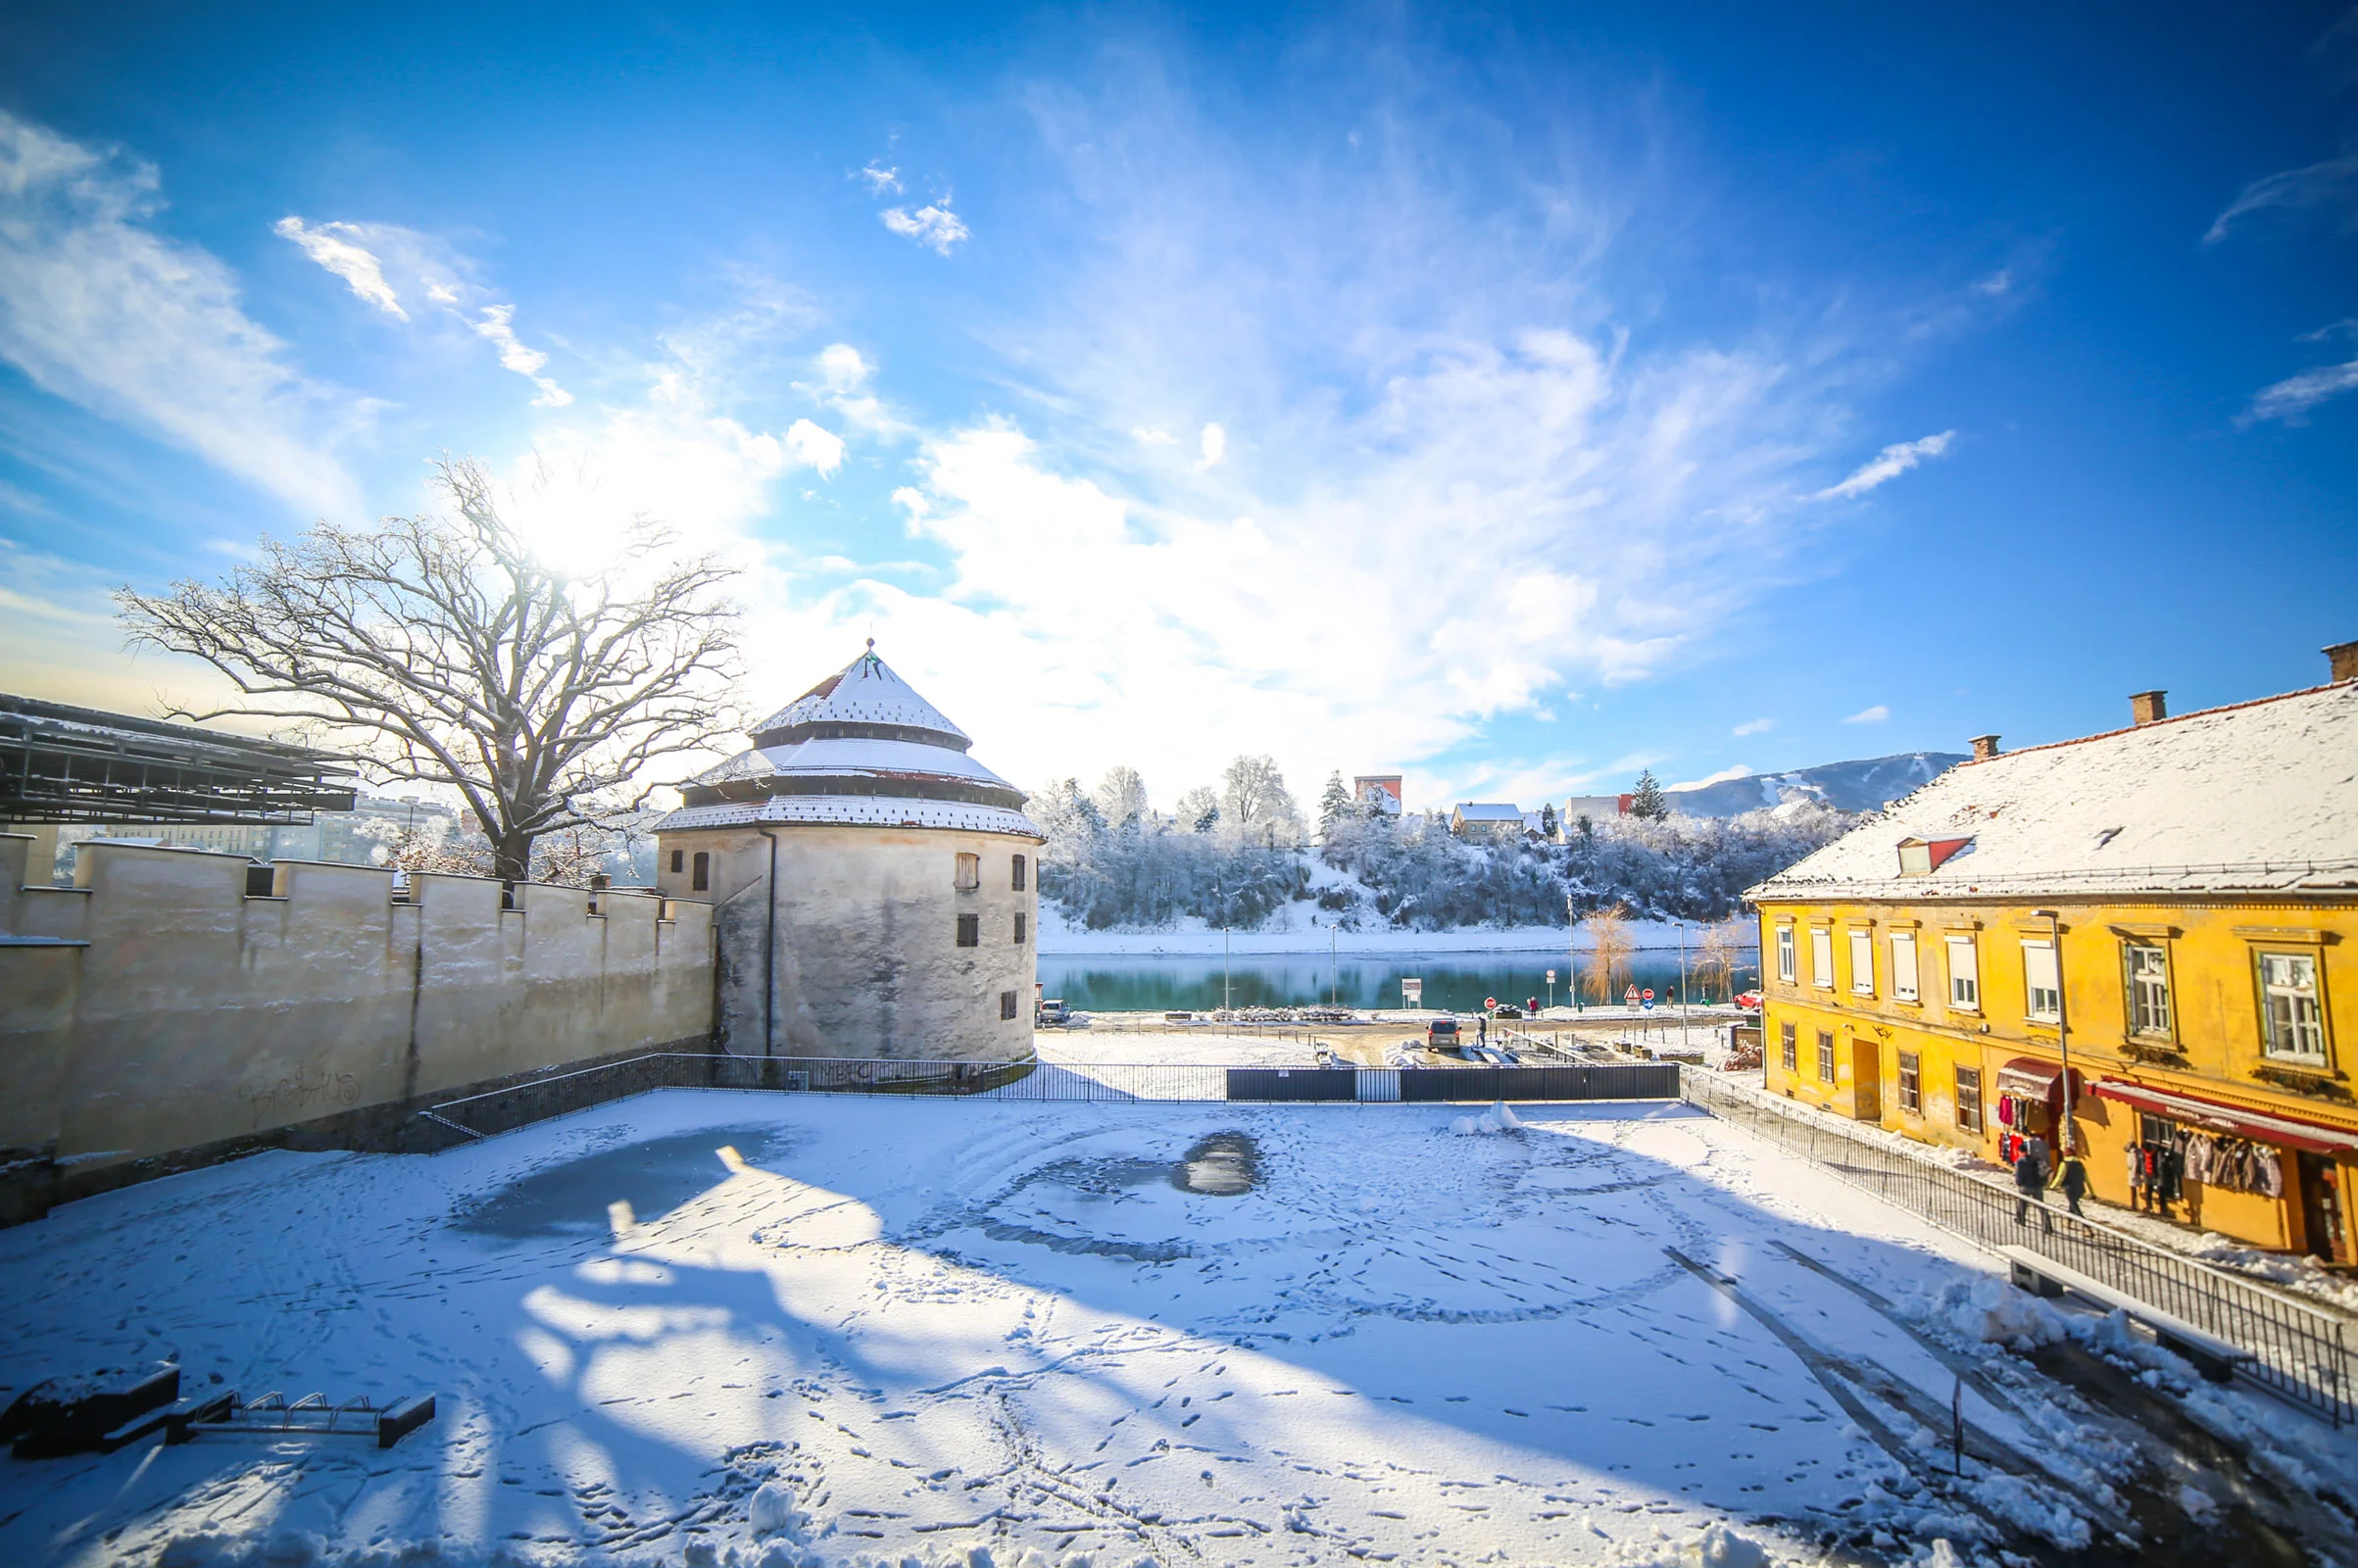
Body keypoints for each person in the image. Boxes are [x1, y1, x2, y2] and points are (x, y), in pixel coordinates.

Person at [2013, 1145, 2051, 1231]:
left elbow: (2019, 1175)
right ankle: (2047, 1225)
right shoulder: (2036, 1159)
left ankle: (2021, 1219)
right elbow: (2045, 1169)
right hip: (2037, 1186)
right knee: (2040, 1206)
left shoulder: (2020, 1161)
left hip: (2025, 1186)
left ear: (2019, 1152)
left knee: (2022, 1203)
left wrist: (2018, 1183)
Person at [2051, 1148, 2088, 1218]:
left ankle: (2083, 1222)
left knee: (2074, 1205)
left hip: (2069, 1188)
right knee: (2072, 1204)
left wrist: (2052, 1186)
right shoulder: (2080, 1164)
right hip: (2080, 1187)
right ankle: (2068, 1220)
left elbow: (2060, 1176)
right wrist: (2092, 1193)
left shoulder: (2064, 1164)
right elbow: (2086, 1178)